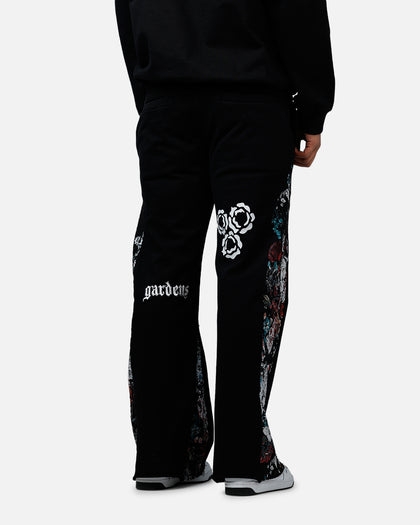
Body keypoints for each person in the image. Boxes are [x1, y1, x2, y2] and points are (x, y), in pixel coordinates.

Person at [115, 0, 335, 496]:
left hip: (167, 99)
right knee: (248, 272)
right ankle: (246, 458)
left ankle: (164, 453)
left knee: (161, 273)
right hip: (250, 101)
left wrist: (153, 88)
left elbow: (126, 10)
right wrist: (312, 107)